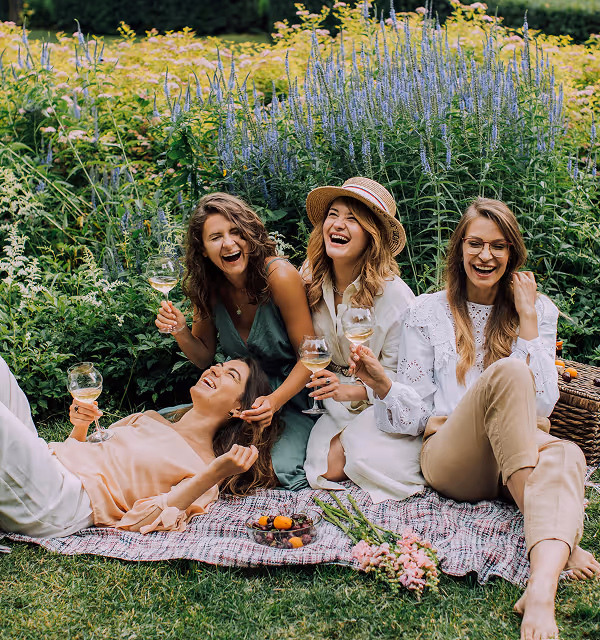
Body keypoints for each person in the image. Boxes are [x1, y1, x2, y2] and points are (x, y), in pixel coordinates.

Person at [349, 197, 600, 640]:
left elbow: (543, 406)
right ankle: (566, 541)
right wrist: (384, 384)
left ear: (512, 254)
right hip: (453, 459)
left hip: (514, 457)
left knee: (568, 453)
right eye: (476, 244)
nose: (486, 256)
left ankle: (540, 590)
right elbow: (416, 414)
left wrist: (525, 320)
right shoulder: (427, 311)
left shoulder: (537, 311)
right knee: (509, 373)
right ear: (459, 249)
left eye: (499, 246)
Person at [0, 355, 279, 538]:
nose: (215, 369)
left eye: (230, 375)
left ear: (239, 407)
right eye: (219, 365)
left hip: (60, 499)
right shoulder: (147, 418)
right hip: (46, 463)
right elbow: (83, 451)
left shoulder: (206, 468)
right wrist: (81, 427)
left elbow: (142, 521)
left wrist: (214, 474)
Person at [156, 193, 315, 490]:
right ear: (203, 249)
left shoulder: (279, 276)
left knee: (274, 468)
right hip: (236, 398)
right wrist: (180, 330)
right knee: (166, 431)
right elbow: (204, 357)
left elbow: (310, 356)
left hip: (290, 398)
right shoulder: (207, 286)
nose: (229, 244)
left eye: (236, 232)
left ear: (250, 236)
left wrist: (274, 401)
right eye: (215, 237)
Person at [301, 177, 425, 503]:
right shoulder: (312, 277)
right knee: (322, 469)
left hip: (379, 406)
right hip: (332, 404)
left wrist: (349, 390)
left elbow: (404, 383)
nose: (338, 224)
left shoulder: (396, 298)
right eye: (333, 214)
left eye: (353, 219)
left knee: (357, 461)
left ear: (372, 236)